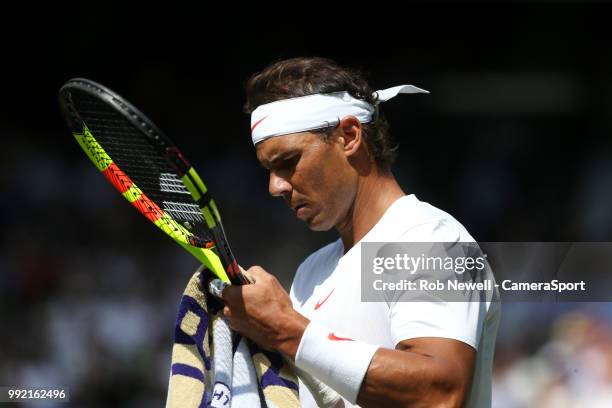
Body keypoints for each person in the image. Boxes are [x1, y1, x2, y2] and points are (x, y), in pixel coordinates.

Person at [222, 57, 500, 408]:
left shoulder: (427, 239)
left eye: (288, 161)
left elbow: (440, 393)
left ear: (349, 136)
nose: (275, 186)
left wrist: (284, 327)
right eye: (268, 169)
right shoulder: (311, 272)